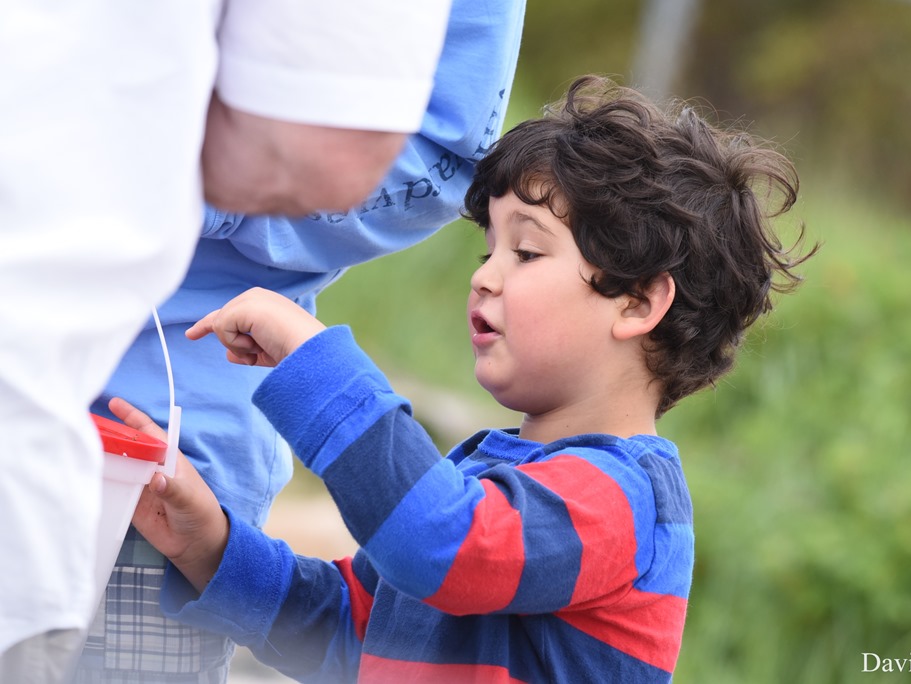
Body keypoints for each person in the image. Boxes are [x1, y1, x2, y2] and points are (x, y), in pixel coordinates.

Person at [121, 75, 815, 682]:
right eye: (489, 251)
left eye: (527, 251)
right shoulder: (483, 478)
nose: (485, 277)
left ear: (637, 302)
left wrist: (317, 364)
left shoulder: (624, 501)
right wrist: (212, 545)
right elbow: (349, 632)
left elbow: (443, 544)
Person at [0, 2, 454, 682]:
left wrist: (214, 547)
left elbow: (404, 593)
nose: (488, 282)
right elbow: (428, 570)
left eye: (526, 252)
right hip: (92, 474)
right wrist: (317, 368)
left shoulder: (582, 505)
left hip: (140, 486)